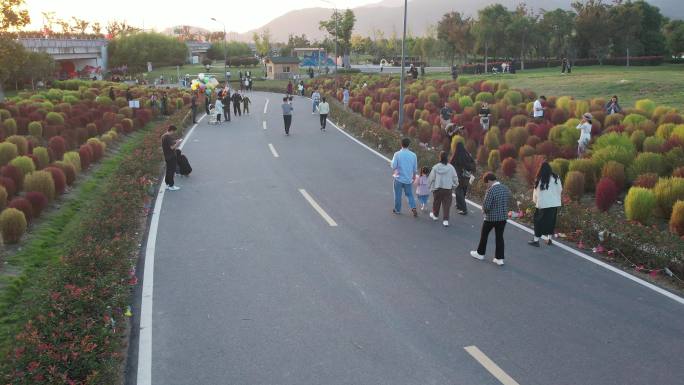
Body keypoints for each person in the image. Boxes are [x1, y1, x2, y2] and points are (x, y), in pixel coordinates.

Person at [470, 172, 512, 266]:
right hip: (503, 218)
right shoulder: (505, 188)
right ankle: (499, 258)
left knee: (484, 235)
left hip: (490, 218)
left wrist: (483, 211)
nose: (487, 185)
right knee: (499, 237)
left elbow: (486, 206)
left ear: (489, 181)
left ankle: (480, 253)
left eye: (487, 183)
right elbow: (509, 200)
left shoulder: (491, 190)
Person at [529, 161, 562, 247]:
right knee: (551, 221)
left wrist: (535, 201)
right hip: (554, 204)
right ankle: (549, 239)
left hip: (543, 204)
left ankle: (536, 241)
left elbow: (536, 192)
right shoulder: (556, 177)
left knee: (538, 222)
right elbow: (560, 189)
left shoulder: (539, 179)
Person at [428, 151, 459, 227]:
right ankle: (445, 220)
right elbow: (455, 178)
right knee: (446, 205)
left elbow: (431, 178)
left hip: (438, 188)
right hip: (448, 189)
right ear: (447, 158)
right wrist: (455, 185)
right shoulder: (451, 168)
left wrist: (429, 186)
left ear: (440, 158)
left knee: (436, 202)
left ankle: (435, 216)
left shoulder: (436, 167)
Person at [391, 138, 418, 217]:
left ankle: (397, 210)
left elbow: (393, 166)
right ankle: (413, 207)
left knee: (398, 195)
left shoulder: (397, 154)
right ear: (409, 145)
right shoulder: (413, 155)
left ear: (401, 144)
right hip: (408, 179)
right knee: (409, 194)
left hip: (398, 178)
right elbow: (415, 168)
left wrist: (392, 163)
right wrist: (413, 177)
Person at [450, 141, 475, 215]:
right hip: (467, 177)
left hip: (459, 177)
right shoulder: (467, 154)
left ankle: (464, 209)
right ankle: (458, 204)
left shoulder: (456, 155)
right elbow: (473, 164)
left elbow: (451, 164)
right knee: (463, 191)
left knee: (458, 191)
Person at [161, 125, 182, 191]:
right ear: (172, 130)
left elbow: (169, 144)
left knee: (168, 171)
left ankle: (167, 184)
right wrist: (178, 143)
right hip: (171, 156)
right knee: (171, 171)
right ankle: (171, 185)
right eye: (174, 131)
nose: (174, 133)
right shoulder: (168, 137)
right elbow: (172, 147)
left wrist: (175, 141)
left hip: (167, 156)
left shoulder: (164, 136)